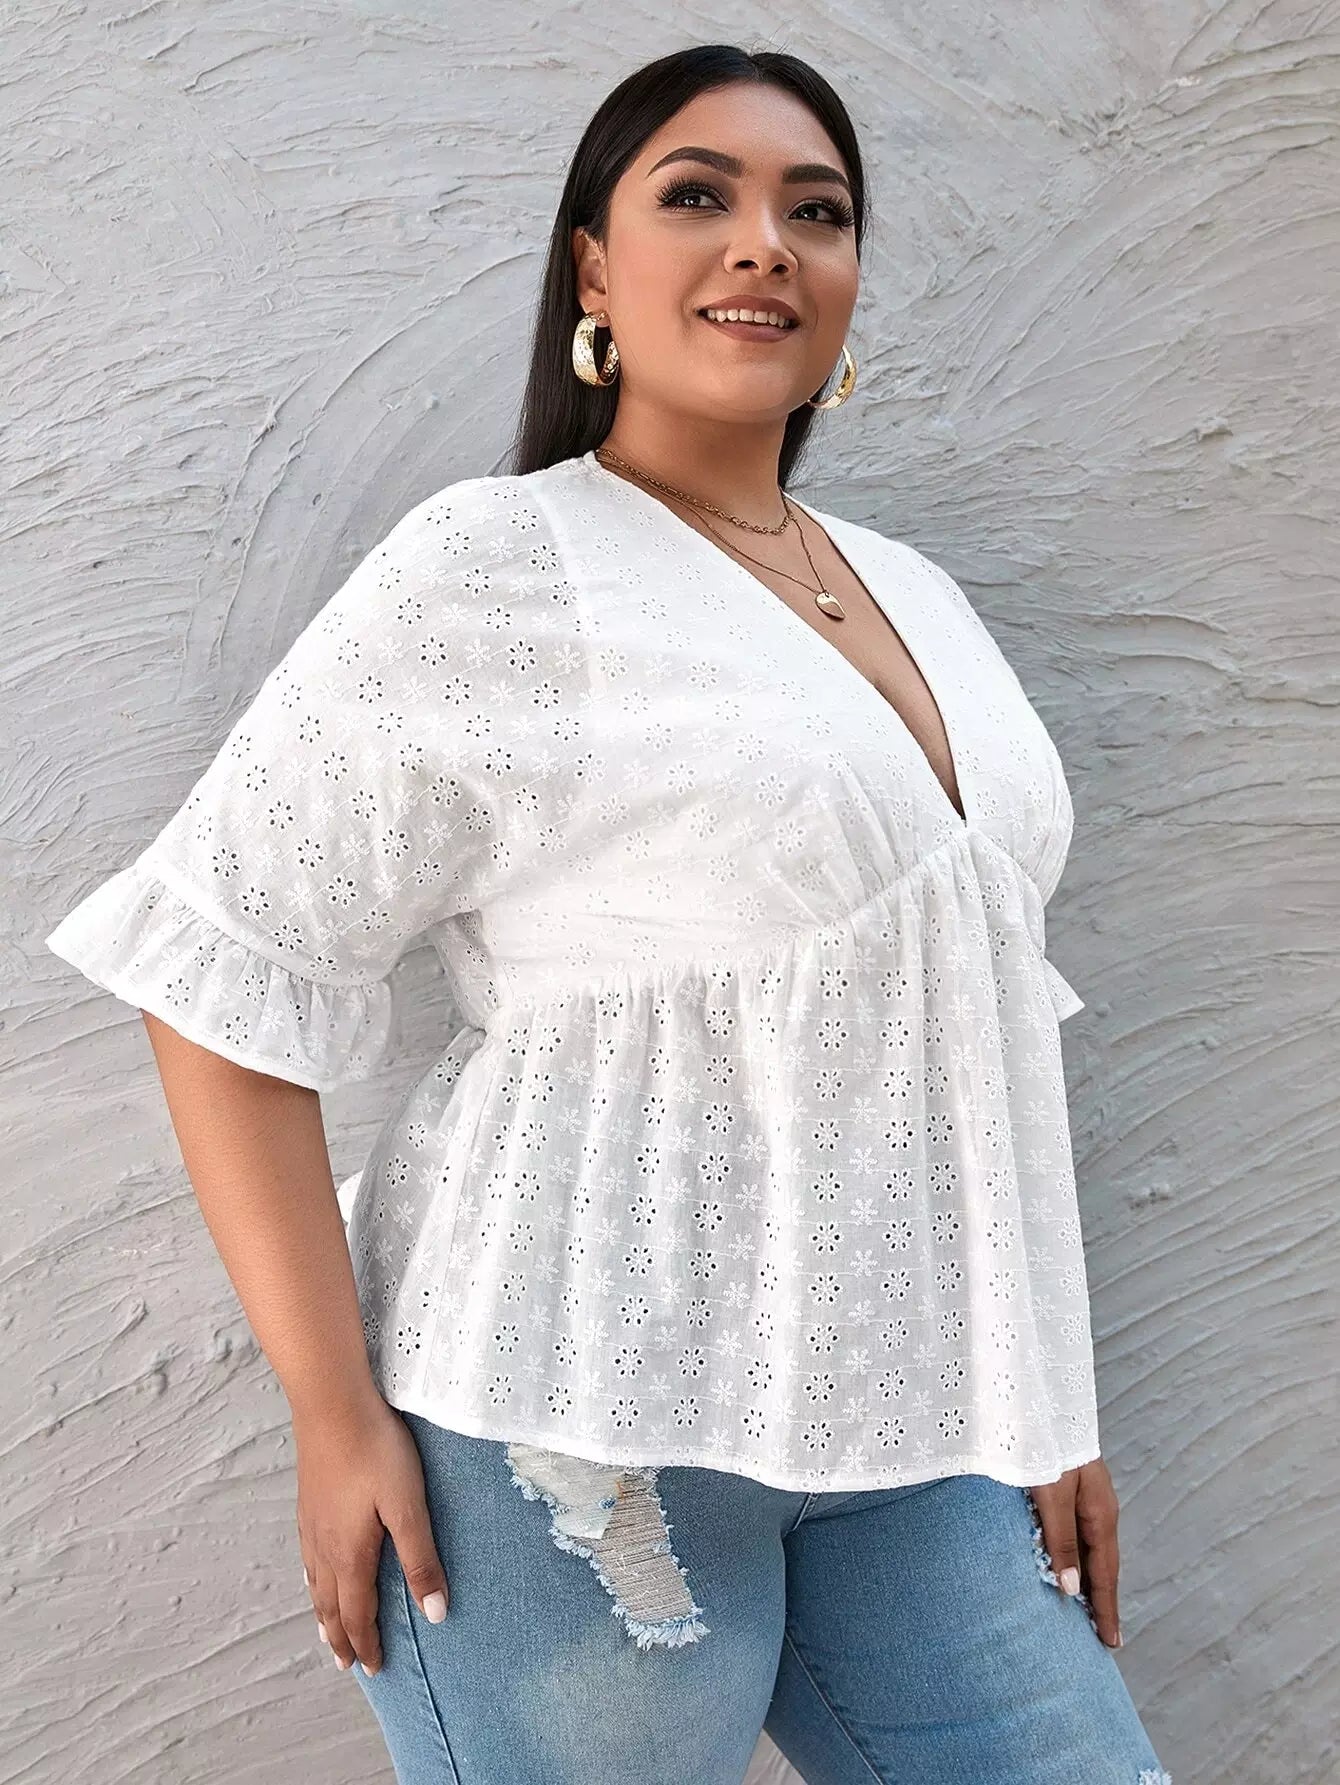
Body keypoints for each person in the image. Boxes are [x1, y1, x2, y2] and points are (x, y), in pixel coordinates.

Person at [45, 41, 1174, 1785]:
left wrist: (1044, 1400)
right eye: (699, 196)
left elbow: (977, 1019)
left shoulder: (923, 596)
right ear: (594, 268)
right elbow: (224, 965)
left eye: (817, 211)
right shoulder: (497, 566)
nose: (764, 242)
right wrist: (332, 1413)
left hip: (915, 1430)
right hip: (563, 1435)